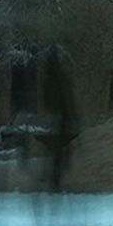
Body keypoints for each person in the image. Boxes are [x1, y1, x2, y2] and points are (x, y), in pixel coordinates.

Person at [37, 45, 79, 193]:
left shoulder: (46, 79)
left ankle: (51, 178)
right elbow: (68, 99)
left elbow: (44, 100)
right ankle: (55, 180)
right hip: (61, 119)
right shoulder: (62, 78)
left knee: (52, 150)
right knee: (59, 152)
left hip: (52, 119)